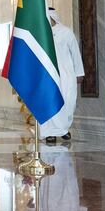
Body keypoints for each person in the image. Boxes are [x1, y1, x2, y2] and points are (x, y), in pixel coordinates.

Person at [41, 8, 85, 142]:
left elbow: (75, 54)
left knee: (68, 102)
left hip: (66, 75)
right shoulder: (41, 33)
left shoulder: (66, 32)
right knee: (49, 102)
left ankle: (64, 129)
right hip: (47, 75)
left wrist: (79, 72)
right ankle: (50, 132)